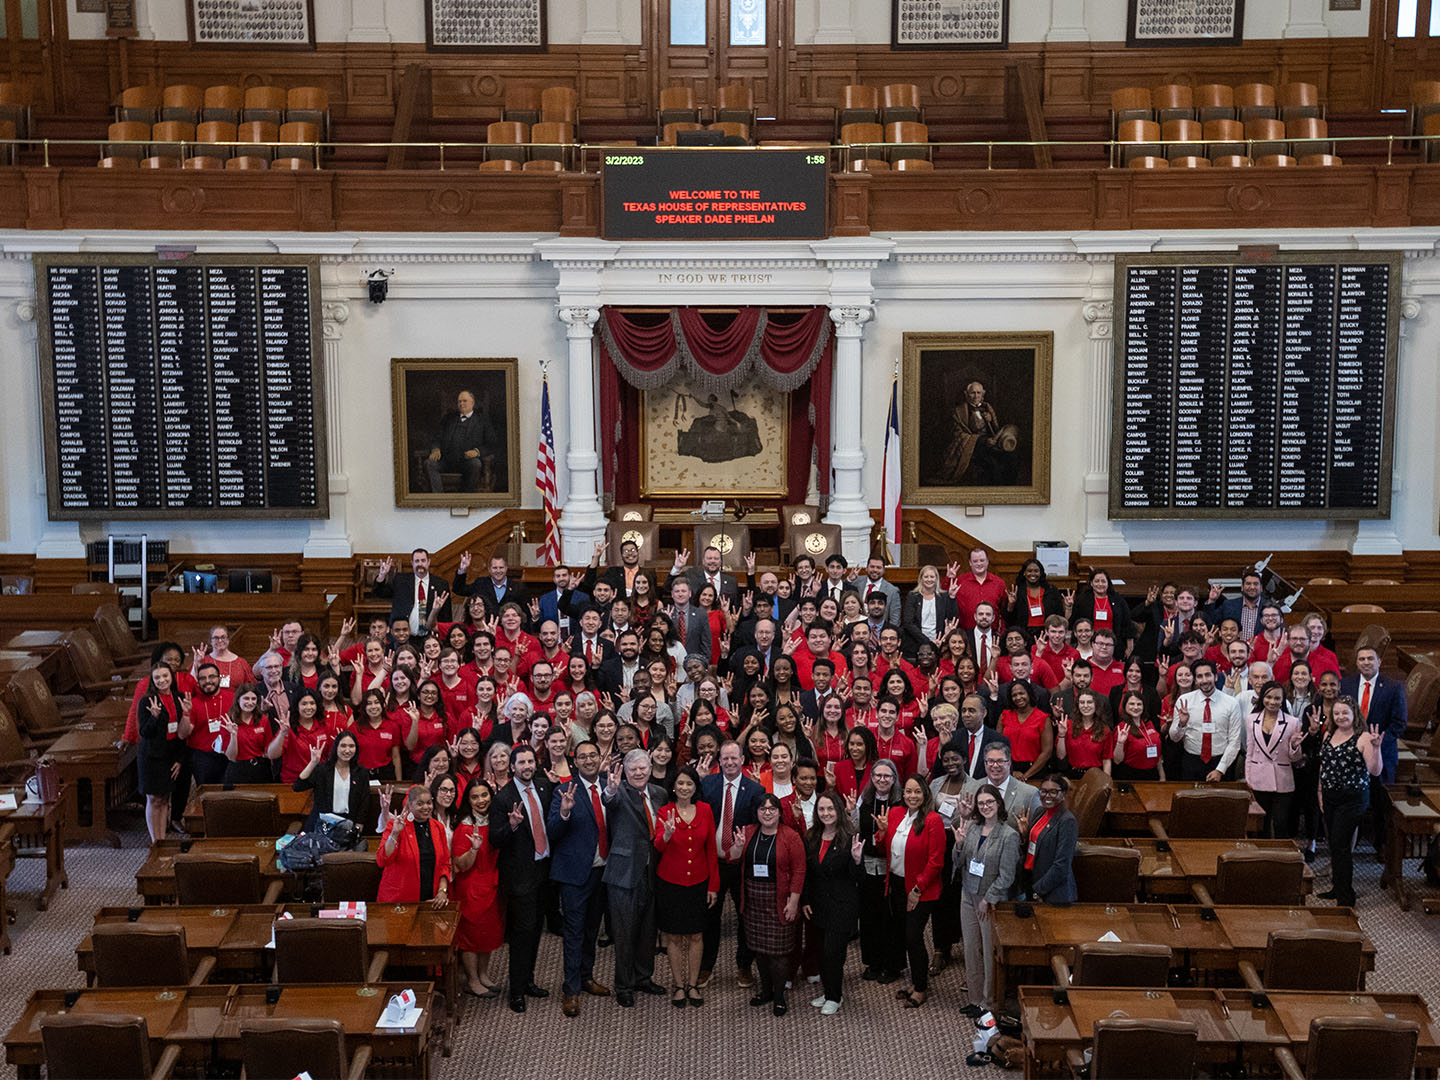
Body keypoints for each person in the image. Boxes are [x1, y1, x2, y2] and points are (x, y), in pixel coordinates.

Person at [545, 739, 611, 1017]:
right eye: (582, 757)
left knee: (591, 930)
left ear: (599, 758)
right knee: (573, 933)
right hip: (574, 875)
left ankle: (586, 977)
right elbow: (552, 831)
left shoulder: (611, 785)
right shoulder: (564, 790)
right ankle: (570, 989)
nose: (588, 760)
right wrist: (565, 811)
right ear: (575, 762)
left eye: (592, 755)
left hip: (604, 871)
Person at [600, 748, 668, 1007]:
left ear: (650, 768)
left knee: (648, 930)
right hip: (624, 873)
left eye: (643, 768)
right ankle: (623, 985)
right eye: (633, 769)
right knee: (625, 933)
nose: (639, 773)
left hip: (652, 871)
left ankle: (643, 977)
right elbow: (609, 802)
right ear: (625, 772)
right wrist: (611, 790)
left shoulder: (659, 793)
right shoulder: (620, 792)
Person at [490, 745, 555, 1013]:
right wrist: (513, 825)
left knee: (536, 931)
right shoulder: (503, 798)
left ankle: (528, 981)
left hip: (544, 872)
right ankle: (516, 991)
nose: (527, 766)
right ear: (512, 766)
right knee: (521, 935)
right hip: (520, 878)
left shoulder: (543, 787)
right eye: (522, 762)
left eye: (531, 761)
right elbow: (495, 839)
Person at [872, 774, 945, 1008]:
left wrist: (917, 889)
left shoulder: (933, 820)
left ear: (925, 795)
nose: (912, 796)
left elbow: (936, 862)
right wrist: (882, 832)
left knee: (914, 937)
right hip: (895, 883)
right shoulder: (894, 813)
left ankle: (921, 988)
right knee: (905, 935)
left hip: (921, 889)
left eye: (917, 792)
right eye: (908, 792)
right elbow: (884, 847)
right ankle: (916, 981)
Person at [697, 739, 765, 988]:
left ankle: (744, 965)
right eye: (724, 758)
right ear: (719, 761)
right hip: (712, 863)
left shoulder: (755, 790)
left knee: (745, 916)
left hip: (741, 865)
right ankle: (706, 967)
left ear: (742, 760)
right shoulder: (707, 785)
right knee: (709, 917)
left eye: (734, 758)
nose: (729, 762)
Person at [734, 794, 807, 1016]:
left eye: (772, 808)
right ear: (756, 812)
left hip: (779, 899)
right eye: (763, 809)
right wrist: (738, 848)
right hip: (754, 899)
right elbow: (733, 858)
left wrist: (794, 901)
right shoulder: (747, 832)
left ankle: (778, 996)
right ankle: (765, 990)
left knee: (779, 953)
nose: (767, 812)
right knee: (759, 949)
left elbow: (799, 870)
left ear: (779, 812)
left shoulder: (790, 836)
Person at [654, 765, 720, 1008]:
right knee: (673, 936)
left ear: (695, 787)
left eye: (689, 784)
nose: (684, 788)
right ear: (673, 786)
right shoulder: (664, 811)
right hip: (671, 883)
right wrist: (668, 834)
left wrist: (713, 886)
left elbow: (711, 850)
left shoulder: (705, 810)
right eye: (680, 783)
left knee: (695, 934)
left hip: (699, 882)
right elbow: (658, 846)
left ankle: (693, 984)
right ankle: (679, 984)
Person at [953, 782, 1020, 1018]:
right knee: (971, 950)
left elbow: (1007, 876)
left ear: (998, 804)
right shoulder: (972, 828)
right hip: (967, 896)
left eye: (989, 802)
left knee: (989, 954)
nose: (985, 807)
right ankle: (974, 999)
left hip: (989, 902)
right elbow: (959, 863)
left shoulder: (1008, 835)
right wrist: (959, 845)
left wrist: (987, 899)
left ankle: (989, 1003)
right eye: (981, 803)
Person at [1319, 696, 1384, 907]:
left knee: (1340, 844)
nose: (1340, 717)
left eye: (1344, 713)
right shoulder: (1329, 733)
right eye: (1336, 713)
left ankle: (1346, 897)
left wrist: (1376, 748)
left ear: (1354, 713)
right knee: (1334, 844)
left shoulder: (1363, 737)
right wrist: (1320, 791)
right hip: (1329, 796)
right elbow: (1324, 765)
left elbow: (1375, 771)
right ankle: (1337, 888)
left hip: (1353, 798)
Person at [802, 790, 862, 1016]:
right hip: (817, 903)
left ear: (838, 810)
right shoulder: (812, 836)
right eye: (821, 809)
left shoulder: (850, 837)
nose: (826, 813)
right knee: (820, 951)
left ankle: (835, 996)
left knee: (832, 953)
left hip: (841, 905)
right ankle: (829, 991)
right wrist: (805, 900)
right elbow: (807, 872)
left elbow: (859, 878)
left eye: (830, 809)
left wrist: (856, 861)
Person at [452, 779, 504, 998]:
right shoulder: (464, 826)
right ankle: (472, 980)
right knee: (472, 937)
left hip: (492, 884)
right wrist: (474, 850)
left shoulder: (496, 820)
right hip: (471, 888)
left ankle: (483, 975)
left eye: (484, 795)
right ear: (468, 800)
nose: (481, 800)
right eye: (475, 797)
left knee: (488, 934)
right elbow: (461, 864)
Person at [137, 663, 192, 843]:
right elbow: (144, 732)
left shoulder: (180, 698)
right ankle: (156, 841)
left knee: (165, 799)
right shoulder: (147, 701)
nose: (162, 680)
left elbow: (183, 735)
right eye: (157, 678)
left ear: (171, 677)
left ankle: (162, 839)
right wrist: (154, 717)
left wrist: (179, 760)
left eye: (165, 676)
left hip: (171, 755)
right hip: (151, 757)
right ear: (152, 681)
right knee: (154, 799)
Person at [1340, 645, 1408, 786]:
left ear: (1379, 661)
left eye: (1370, 658)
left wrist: (1377, 743)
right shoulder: (1345, 685)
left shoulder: (1393, 687)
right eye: (1362, 659)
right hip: (1351, 754)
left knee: (1381, 802)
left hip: (1383, 754)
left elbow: (1399, 723)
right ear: (1357, 663)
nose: (1366, 662)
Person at [377, 784, 451, 907]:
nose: (426, 807)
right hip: (399, 901)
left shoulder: (438, 827)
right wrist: (395, 834)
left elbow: (445, 864)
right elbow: (382, 860)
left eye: (429, 803)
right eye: (420, 804)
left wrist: (442, 891)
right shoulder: (395, 825)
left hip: (430, 900)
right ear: (410, 805)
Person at [1169, 659, 1243, 781]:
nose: (1204, 680)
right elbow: (1174, 738)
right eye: (1199, 676)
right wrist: (1182, 724)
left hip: (1221, 761)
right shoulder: (1185, 701)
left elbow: (1234, 741)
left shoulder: (1231, 703)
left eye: (1208, 675)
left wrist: (1220, 769)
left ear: (1215, 677)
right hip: (1191, 762)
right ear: (1195, 679)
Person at [1016, 776, 1077, 905]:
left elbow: (1062, 865)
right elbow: (1034, 846)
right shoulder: (1039, 812)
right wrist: (1024, 835)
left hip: (1052, 892)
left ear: (1063, 793)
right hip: (1031, 880)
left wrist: (1038, 891)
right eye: (1043, 791)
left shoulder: (1067, 821)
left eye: (1053, 792)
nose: (1047, 796)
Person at [293, 730, 370, 831]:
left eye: (351, 746)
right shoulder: (323, 770)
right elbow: (298, 786)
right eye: (343, 746)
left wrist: (359, 824)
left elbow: (364, 801)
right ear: (336, 747)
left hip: (347, 824)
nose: (347, 750)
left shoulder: (361, 772)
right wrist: (313, 762)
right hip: (322, 824)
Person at [372, 548, 452, 635]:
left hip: (430, 637)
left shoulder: (440, 584)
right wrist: (382, 575)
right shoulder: (400, 580)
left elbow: (446, 615)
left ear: (428, 562)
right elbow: (380, 593)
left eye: (423, 561)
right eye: (417, 561)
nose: (420, 564)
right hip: (403, 636)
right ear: (412, 563)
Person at [219, 683, 279, 787]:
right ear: (238, 700)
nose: (250, 702)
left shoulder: (263, 720)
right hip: (238, 769)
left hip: (261, 769)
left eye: (253, 699)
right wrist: (234, 735)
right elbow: (231, 757)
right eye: (246, 698)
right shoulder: (229, 722)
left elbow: (268, 749)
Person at [901, 564, 960, 658]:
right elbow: (908, 622)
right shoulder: (913, 596)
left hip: (940, 643)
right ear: (921, 579)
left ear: (936, 579)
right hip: (916, 643)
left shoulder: (943, 596)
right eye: (926, 576)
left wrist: (952, 598)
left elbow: (952, 618)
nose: (929, 579)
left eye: (932, 577)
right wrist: (927, 641)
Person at [1111, 690, 1166, 781]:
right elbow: (1117, 760)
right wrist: (1120, 743)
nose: (1136, 707)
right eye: (1131, 704)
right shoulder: (1122, 728)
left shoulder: (1149, 724)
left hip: (1153, 774)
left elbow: (1157, 753)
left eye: (1139, 704)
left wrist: (1162, 775)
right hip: (1131, 775)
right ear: (1125, 706)